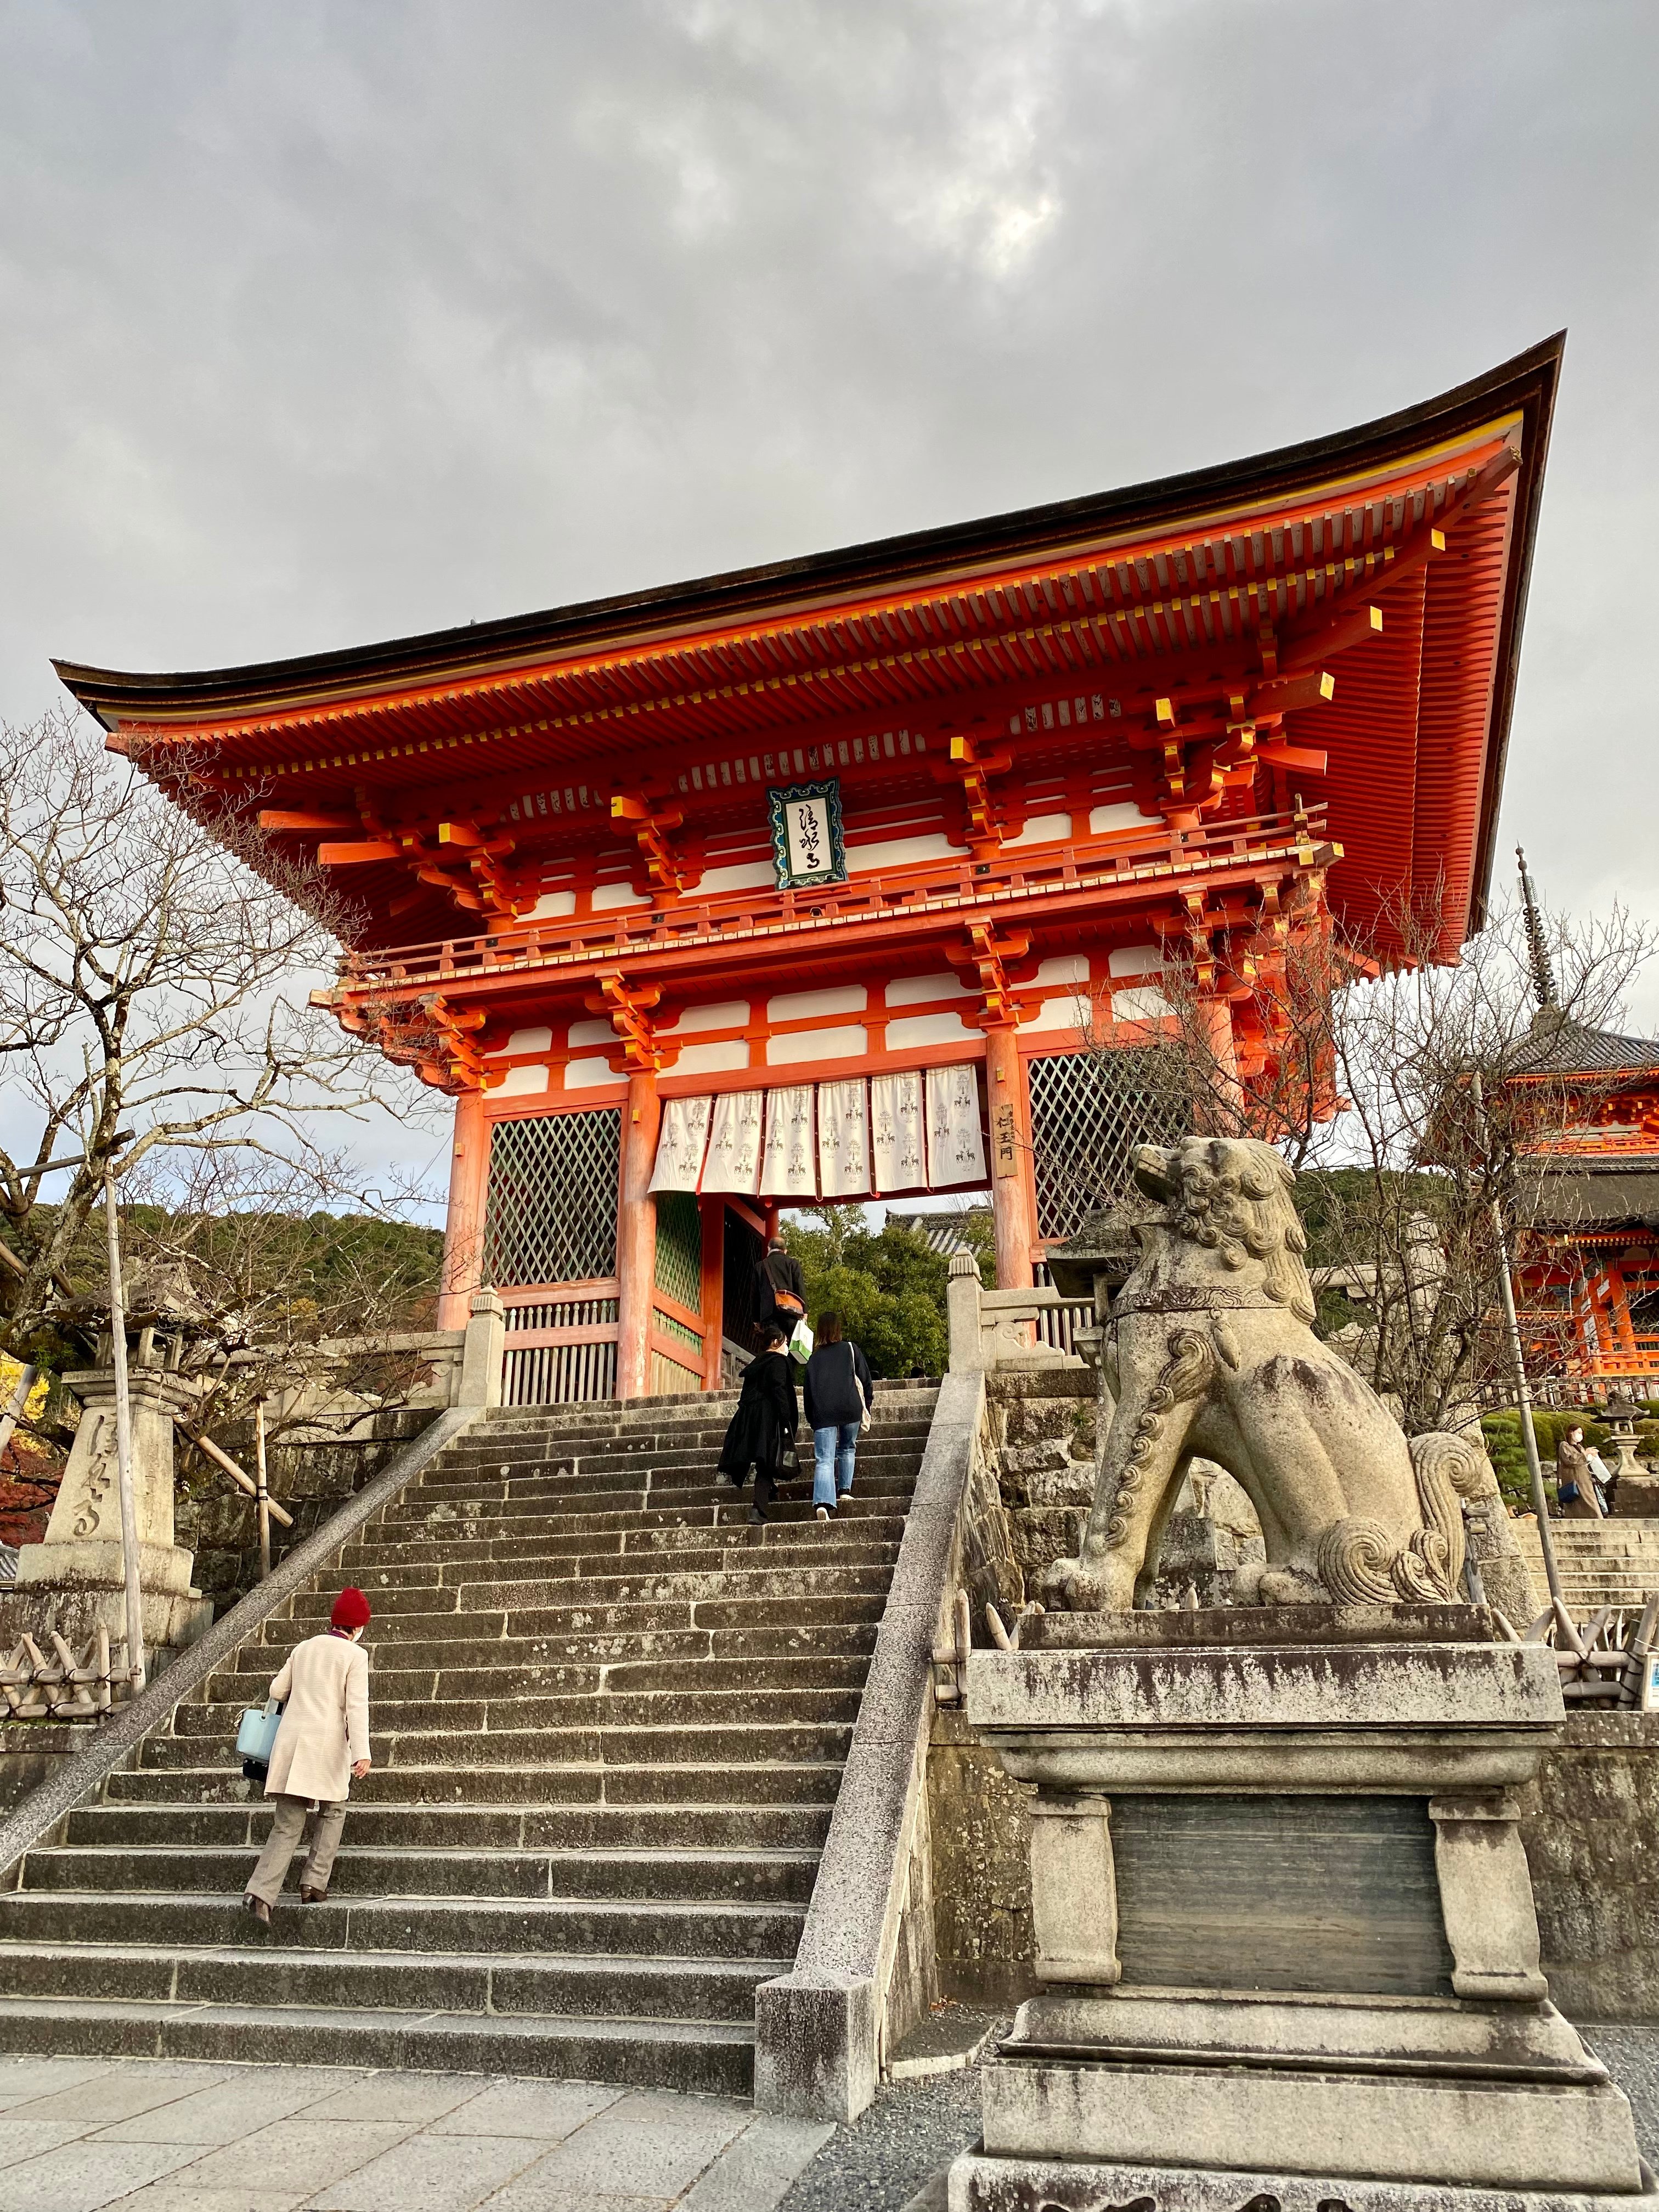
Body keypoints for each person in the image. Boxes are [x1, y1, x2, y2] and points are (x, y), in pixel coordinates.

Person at [242, 1586, 372, 1923]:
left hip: (292, 1746)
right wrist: (362, 1752)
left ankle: (260, 1894)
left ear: (334, 1621)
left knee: (287, 1824)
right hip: (327, 1748)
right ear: (357, 1628)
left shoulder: (304, 1648)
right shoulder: (355, 1656)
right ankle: (314, 1883)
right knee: (333, 1811)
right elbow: (357, 1707)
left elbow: (277, 1690)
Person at [718, 1322, 799, 1524]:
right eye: (785, 1343)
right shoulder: (778, 1362)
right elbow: (780, 1390)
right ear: (775, 1342)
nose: (787, 1348)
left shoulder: (756, 1365)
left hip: (749, 1418)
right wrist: (786, 1420)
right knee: (766, 1462)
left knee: (764, 1457)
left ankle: (770, 1491)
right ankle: (758, 1510)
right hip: (769, 1418)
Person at [803, 1311, 874, 1524]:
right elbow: (866, 1380)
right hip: (850, 1408)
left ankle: (823, 1502)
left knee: (824, 1458)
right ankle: (844, 1490)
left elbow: (808, 1391)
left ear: (820, 1331)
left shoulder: (814, 1358)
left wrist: (812, 1417)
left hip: (824, 1413)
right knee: (847, 1448)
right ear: (838, 1329)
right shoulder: (850, 1349)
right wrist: (866, 1405)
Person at [754, 1234, 808, 1337]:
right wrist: (805, 1311)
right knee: (791, 1348)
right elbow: (800, 1288)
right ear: (785, 1250)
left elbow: (755, 1295)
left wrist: (756, 1319)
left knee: (773, 1345)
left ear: (769, 1248)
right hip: (791, 1312)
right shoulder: (793, 1264)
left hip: (769, 1314)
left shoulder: (760, 1266)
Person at [1555, 1425, 1604, 1519]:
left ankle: (1597, 1518)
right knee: (1577, 1501)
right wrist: (1586, 1453)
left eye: (1581, 1433)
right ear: (1571, 1432)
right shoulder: (1564, 1445)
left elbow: (1584, 1460)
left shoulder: (1579, 1447)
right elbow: (1570, 1460)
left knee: (1590, 1499)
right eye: (1578, 1433)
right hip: (1573, 1479)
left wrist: (1591, 1455)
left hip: (1584, 1478)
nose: (1580, 1435)